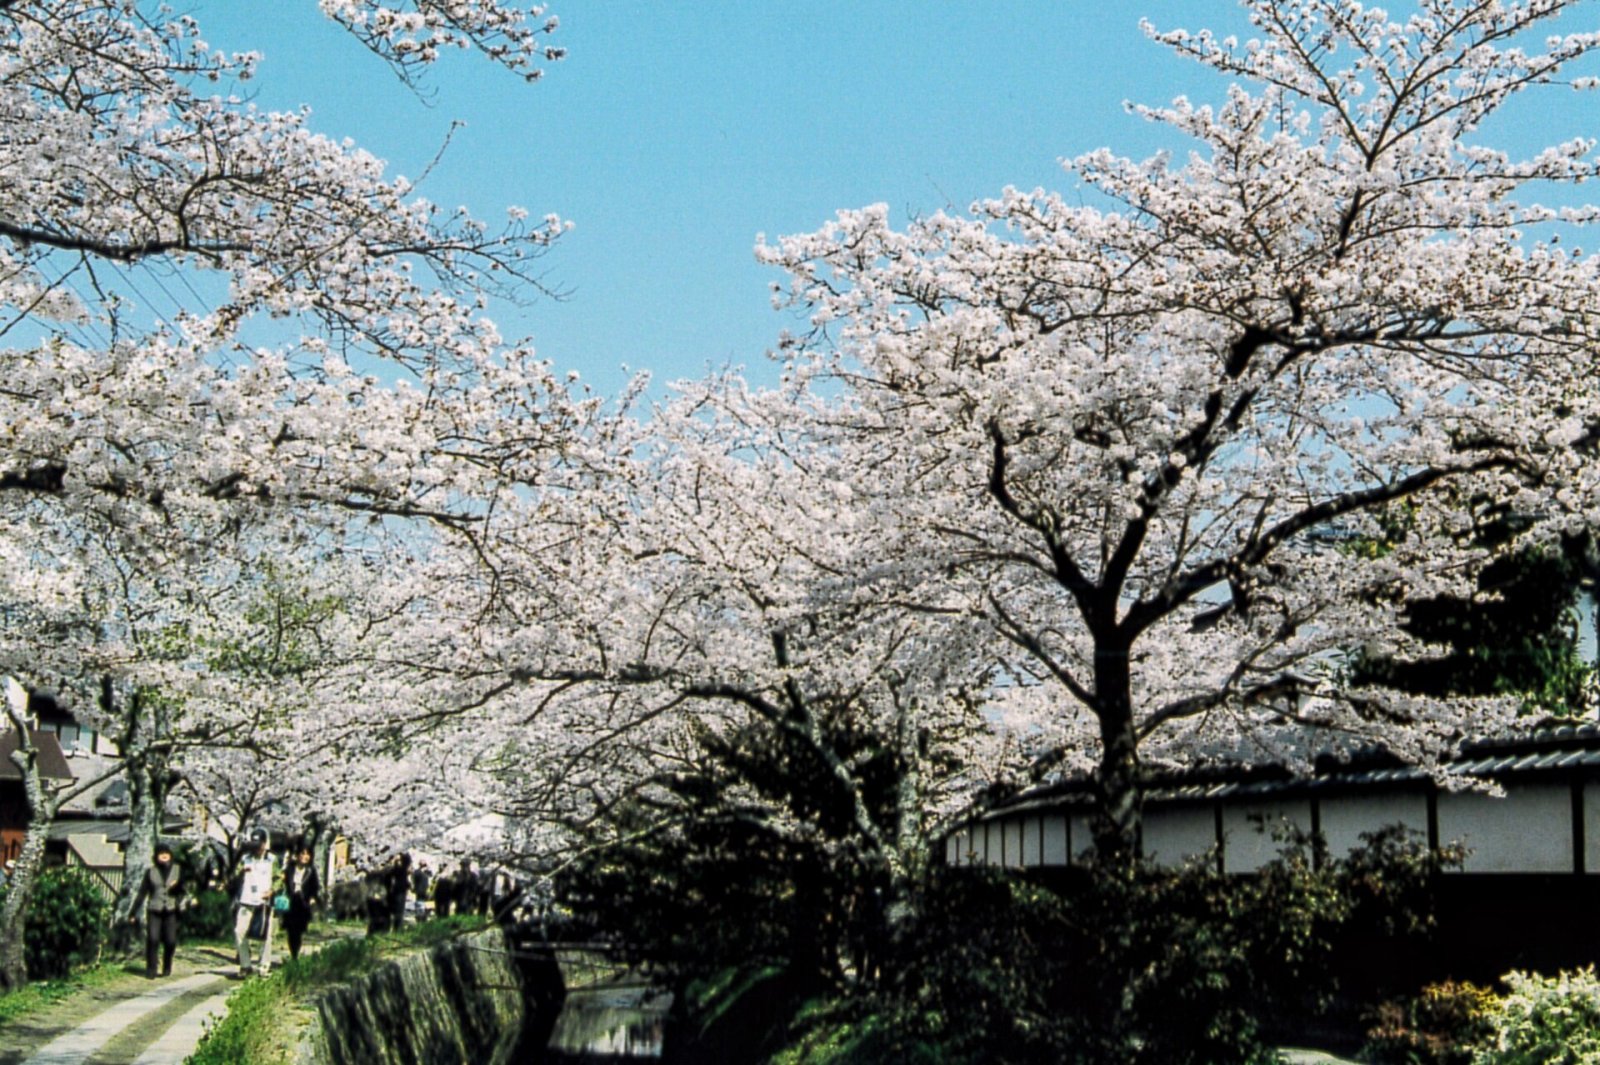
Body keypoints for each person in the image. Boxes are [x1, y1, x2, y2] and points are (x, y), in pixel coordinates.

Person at [129, 841, 182, 978]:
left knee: (170, 941)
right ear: (156, 856)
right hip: (154, 910)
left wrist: (177, 886)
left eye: (166, 853)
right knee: (153, 939)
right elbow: (142, 892)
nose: (164, 856)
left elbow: (184, 890)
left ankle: (167, 965)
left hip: (171, 910)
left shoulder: (177, 870)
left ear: (170, 855)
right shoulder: (150, 872)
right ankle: (151, 968)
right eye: (161, 853)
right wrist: (133, 912)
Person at [233, 828, 277, 977]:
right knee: (239, 931)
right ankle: (245, 964)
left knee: (266, 935)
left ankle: (264, 965)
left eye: (259, 845)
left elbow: (279, 878)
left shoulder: (272, 859)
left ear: (264, 844)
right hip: (246, 900)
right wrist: (241, 871)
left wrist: (272, 890)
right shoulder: (245, 858)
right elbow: (235, 875)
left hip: (265, 902)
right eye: (255, 845)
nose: (257, 848)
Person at [281, 844, 321, 961]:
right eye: (302, 853)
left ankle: (295, 954)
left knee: (298, 930)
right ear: (297, 855)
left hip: (303, 904)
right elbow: (284, 882)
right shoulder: (290, 868)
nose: (305, 856)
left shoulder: (311, 871)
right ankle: (293, 954)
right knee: (291, 930)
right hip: (291, 902)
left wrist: (313, 898)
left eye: (307, 854)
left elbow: (315, 887)